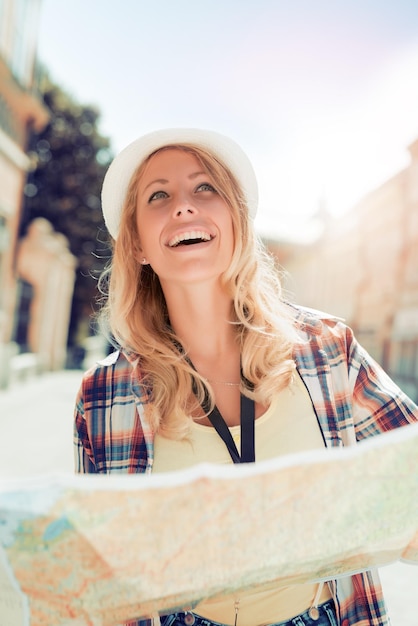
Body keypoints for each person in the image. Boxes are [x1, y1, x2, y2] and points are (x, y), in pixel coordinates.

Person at [74, 128, 418, 626]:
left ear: (237, 222)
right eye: (158, 196)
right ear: (139, 246)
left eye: (204, 188)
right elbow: (96, 579)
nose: (184, 207)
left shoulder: (327, 348)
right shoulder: (103, 395)